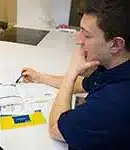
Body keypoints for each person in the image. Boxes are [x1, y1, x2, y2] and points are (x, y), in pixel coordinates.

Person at [22, 0, 130, 149]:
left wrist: (72, 72)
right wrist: (39, 77)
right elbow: (84, 84)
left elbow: (56, 128)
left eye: (86, 35)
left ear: (116, 44)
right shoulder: (115, 66)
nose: (78, 40)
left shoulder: (113, 102)